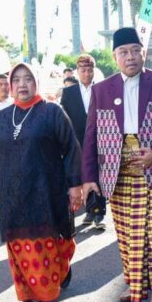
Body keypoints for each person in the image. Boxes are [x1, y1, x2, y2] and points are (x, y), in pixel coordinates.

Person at [82, 27, 152, 302]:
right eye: (123, 52)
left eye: (135, 50)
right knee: (127, 229)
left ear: (143, 52)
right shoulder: (102, 90)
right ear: (115, 57)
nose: (130, 56)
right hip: (115, 169)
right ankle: (133, 283)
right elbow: (90, 135)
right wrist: (89, 178)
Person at [0, 63, 82, 302]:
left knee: (50, 240)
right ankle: (29, 293)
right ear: (10, 84)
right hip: (13, 195)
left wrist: (74, 185)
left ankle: (60, 268)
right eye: (16, 80)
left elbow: (71, 148)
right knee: (19, 243)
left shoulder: (52, 113)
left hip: (46, 190)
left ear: (36, 82)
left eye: (28, 79)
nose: (22, 84)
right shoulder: (1, 119)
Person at [60, 54, 104, 228]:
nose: (86, 74)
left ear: (94, 71)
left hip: (99, 140)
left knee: (98, 176)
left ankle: (99, 213)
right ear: (77, 72)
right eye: (83, 70)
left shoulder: (102, 89)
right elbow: (63, 118)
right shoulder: (68, 92)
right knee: (81, 176)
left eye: (89, 70)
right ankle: (88, 210)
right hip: (76, 141)